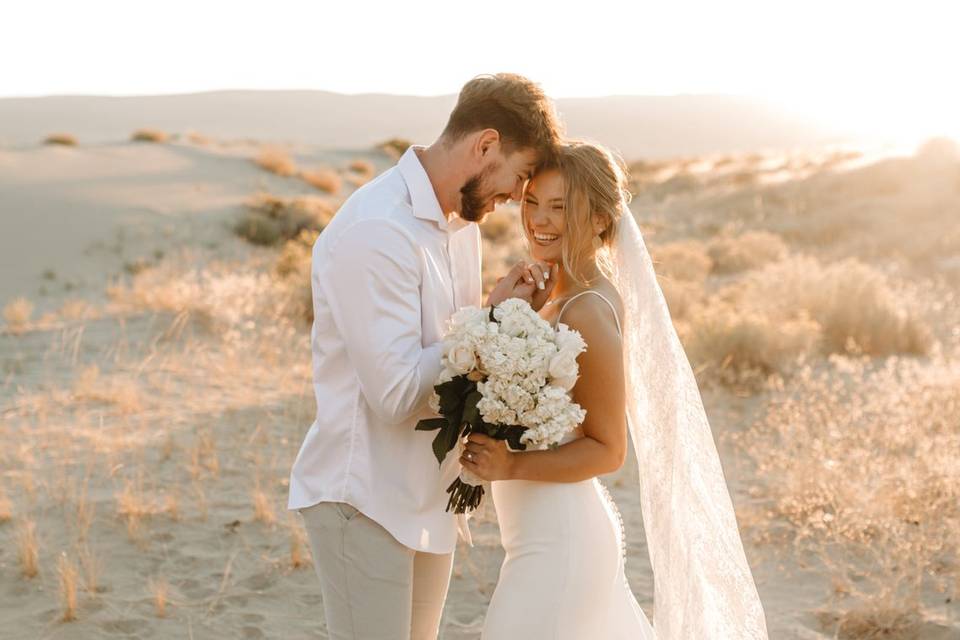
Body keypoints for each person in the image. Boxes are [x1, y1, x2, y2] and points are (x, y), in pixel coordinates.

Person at [286, 73, 563, 640]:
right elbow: (393, 396)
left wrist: (508, 329)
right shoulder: (376, 231)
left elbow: (458, 358)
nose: (512, 198)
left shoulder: (462, 227)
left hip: (427, 496)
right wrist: (491, 323)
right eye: (515, 180)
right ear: (485, 145)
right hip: (363, 500)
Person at [461, 141, 769, 639]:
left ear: (601, 220)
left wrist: (511, 464)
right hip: (540, 536)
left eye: (560, 207)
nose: (539, 218)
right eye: (533, 201)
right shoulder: (555, 299)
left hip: (559, 543)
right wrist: (507, 314)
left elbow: (608, 450)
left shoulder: (587, 309)